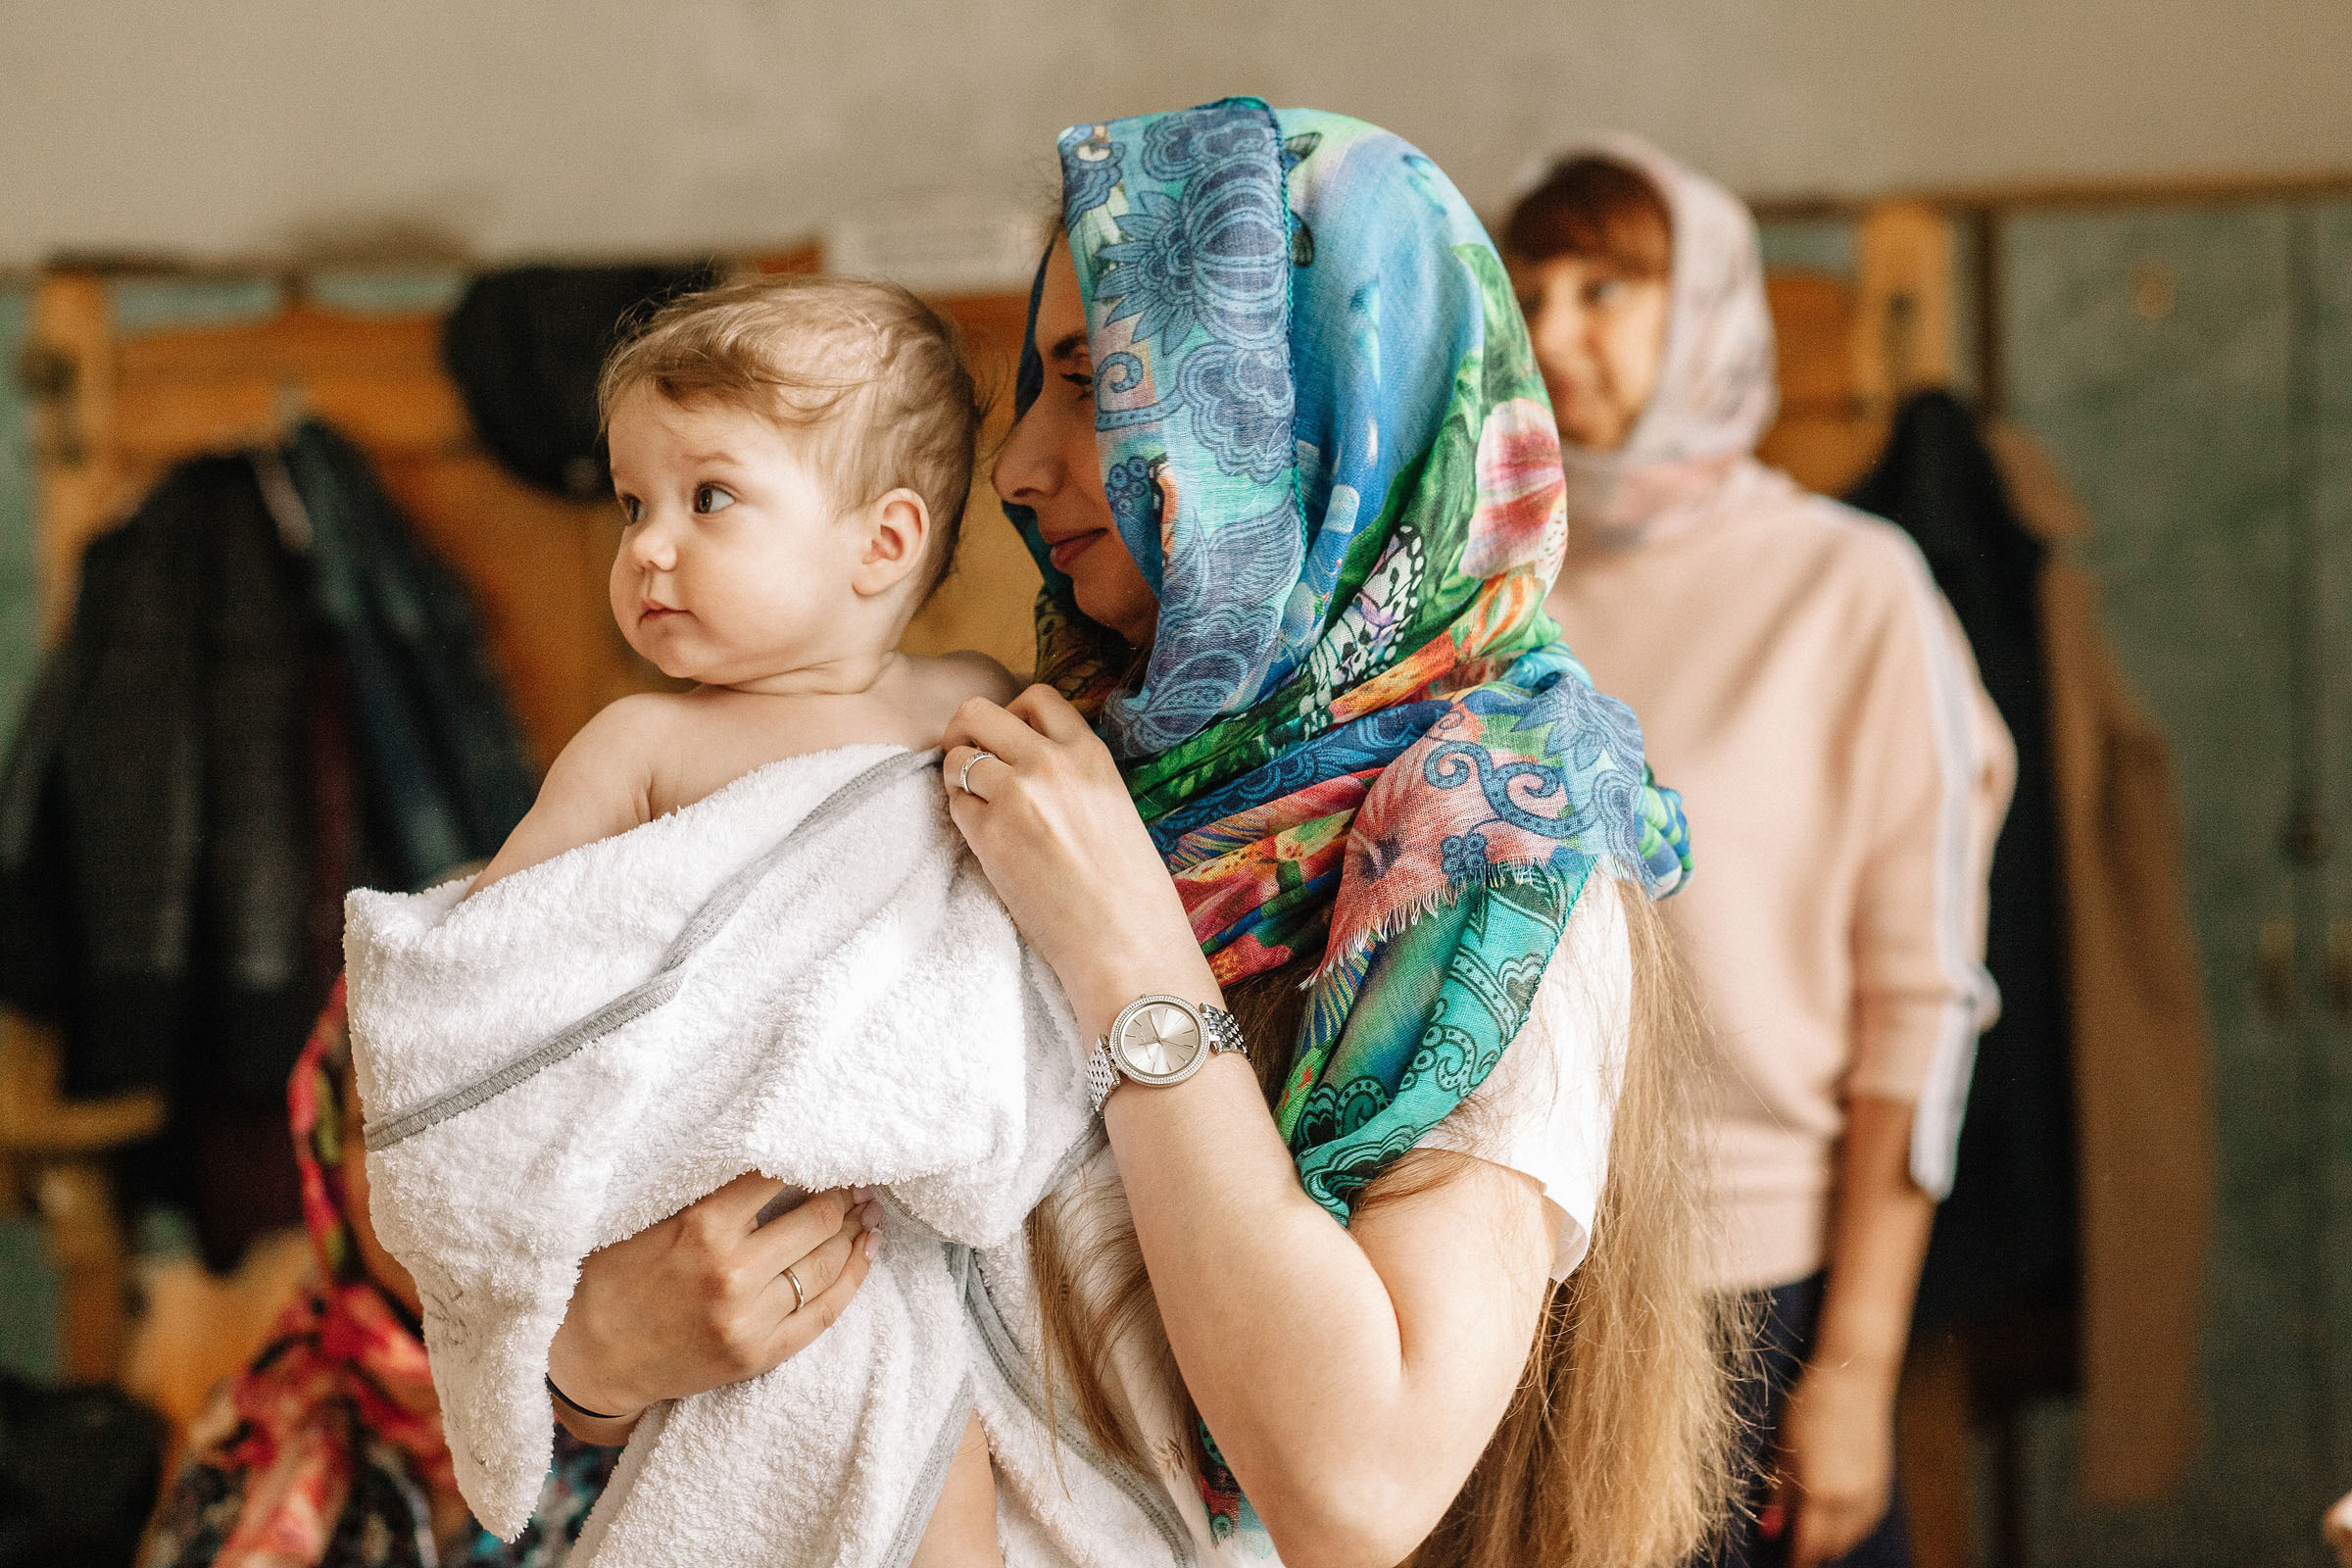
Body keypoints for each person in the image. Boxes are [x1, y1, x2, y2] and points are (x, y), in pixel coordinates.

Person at [545, 99, 1740, 1568]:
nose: (1018, 468)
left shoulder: (1500, 864)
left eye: (1090, 383)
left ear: (1295, 410)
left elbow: (1355, 1486)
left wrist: (1126, 945)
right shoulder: (1066, 755)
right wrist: (596, 1358)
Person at [344, 273, 1062, 1567]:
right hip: (739, 1228)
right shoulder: (643, 745)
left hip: (940, 1221)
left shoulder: (975, 708)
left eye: (707, 498)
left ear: (882, 542)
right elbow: (494, 986)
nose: (647, 549)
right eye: (632, 505)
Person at [1502, 141, 2014, 1568]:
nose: (1553, 331)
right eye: (1531, 289)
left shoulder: (1855, 589)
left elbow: (1922, 1008)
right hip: (1503, 1284)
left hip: (1757, 1300)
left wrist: (1850, 1371)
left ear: (1713, 313)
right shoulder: (1493, 589)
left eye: (1609, 288)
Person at [140, 982, 618, 1567]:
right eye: (379, 1129)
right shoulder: (262, 1409)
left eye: (465, 1122)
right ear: (330, 1165)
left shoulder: (651, 1416)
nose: (423, 1178)